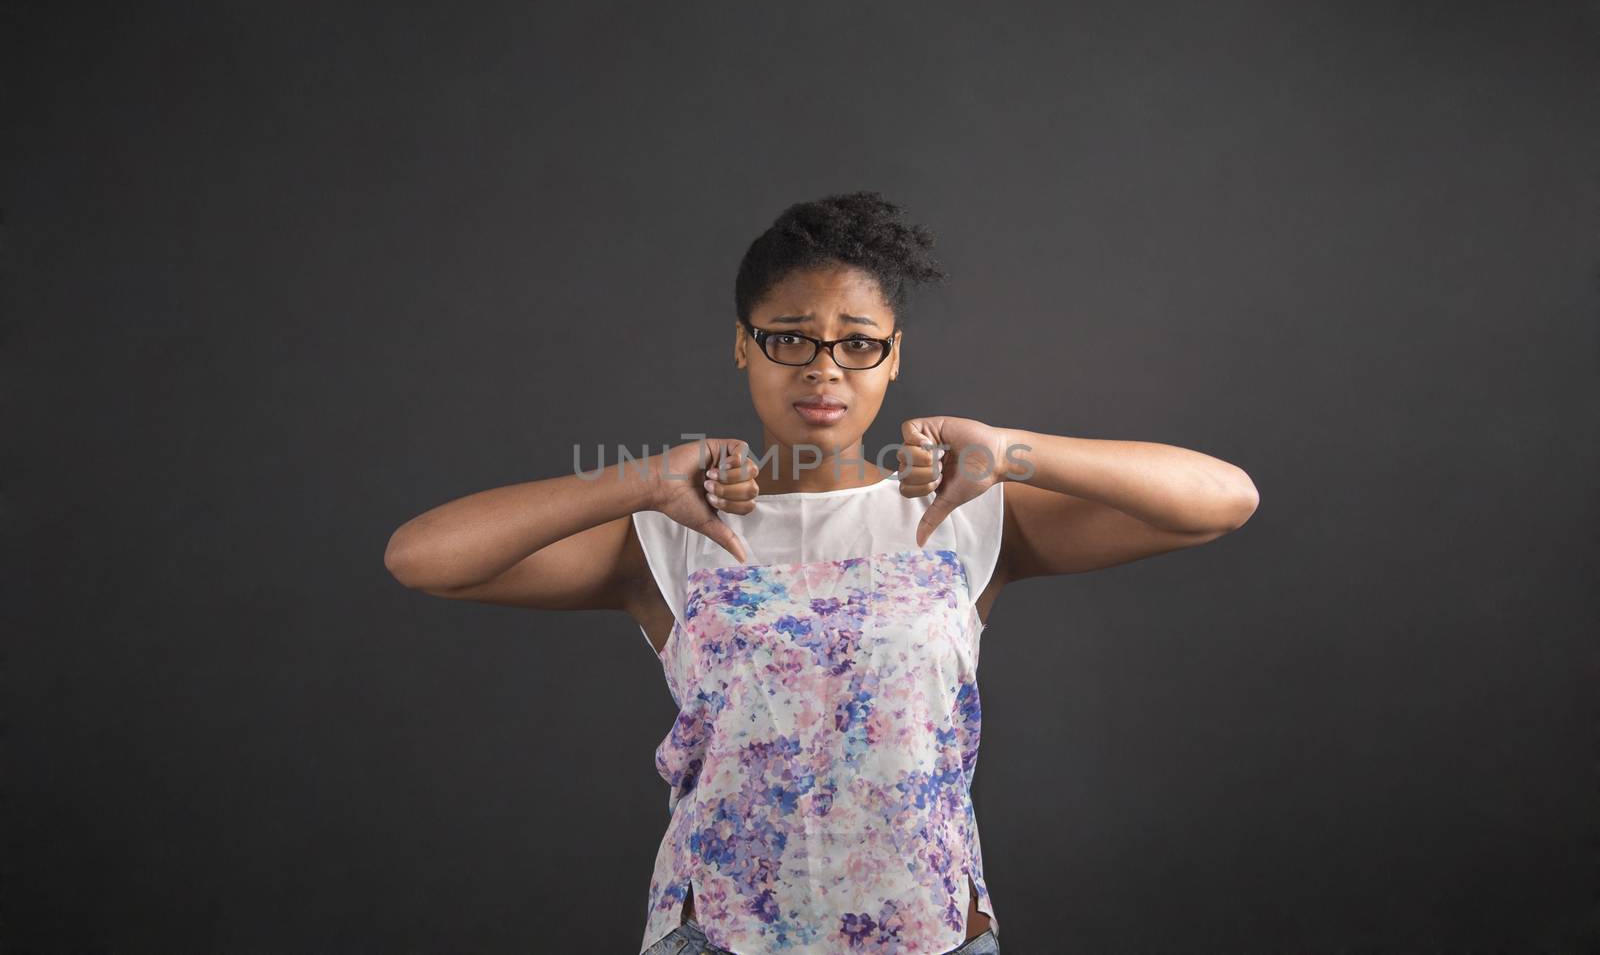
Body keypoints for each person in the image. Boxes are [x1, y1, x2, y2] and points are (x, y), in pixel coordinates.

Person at [384, 191, 1260, 955]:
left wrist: (1012, 451)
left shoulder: (963, 512)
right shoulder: (667, 531)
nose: (824, 368)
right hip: (719, 934)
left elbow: (1222, 499)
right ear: (743, 344)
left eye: (858, 343)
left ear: (896, 354)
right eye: (790, 339)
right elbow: (422, 557)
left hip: (931, 934)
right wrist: (643, 480)